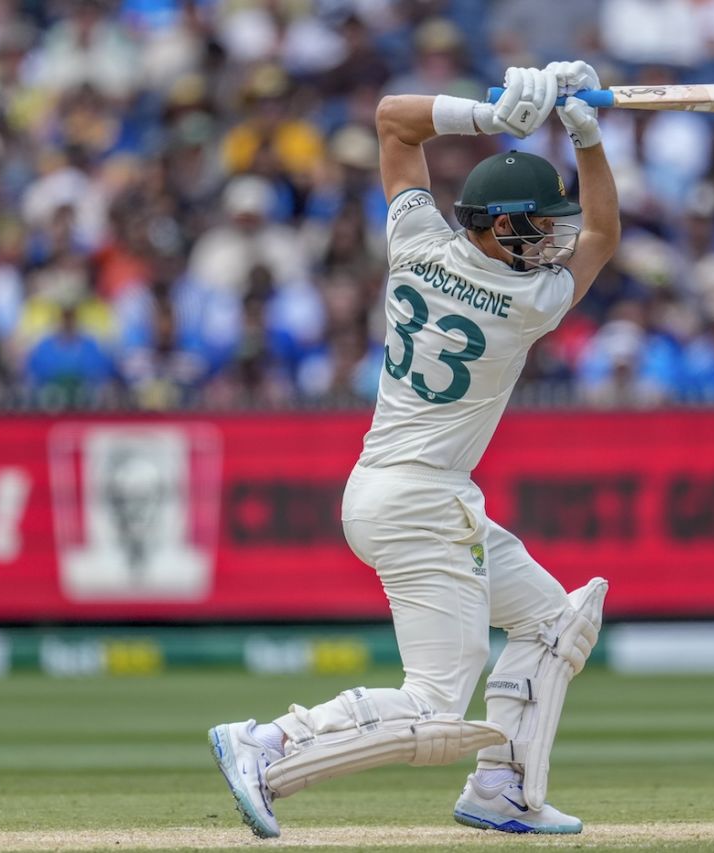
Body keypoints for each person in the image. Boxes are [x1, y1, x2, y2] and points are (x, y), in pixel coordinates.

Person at [208, 61, 620, 838]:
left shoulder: (414, 239)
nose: (558, 237)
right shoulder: (524, 300)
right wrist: (586, 134)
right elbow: (605, 234)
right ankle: (266, 742)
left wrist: (492, 115)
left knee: (552, 622)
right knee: (435, 701)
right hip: (422, 501)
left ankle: (505, 786)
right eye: (543, 224)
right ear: (504, 227)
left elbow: (393, 119)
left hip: (397, 487)